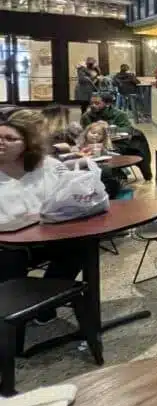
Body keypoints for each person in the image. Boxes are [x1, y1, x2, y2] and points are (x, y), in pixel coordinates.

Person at [0, 112, 88, 300]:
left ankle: (47, 301)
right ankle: (17, 308)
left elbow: (72, 196)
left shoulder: (49, 166)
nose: (1, 142)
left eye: (9, 138)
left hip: (47, 237)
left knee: (82, 246)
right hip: (7, 246)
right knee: (8, 260)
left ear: (28, 144)